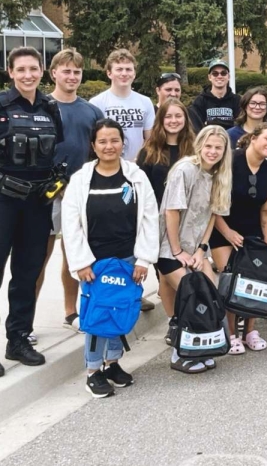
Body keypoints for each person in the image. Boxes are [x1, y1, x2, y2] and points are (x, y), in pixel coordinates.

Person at [61, 119, 159, 398]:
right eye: (102, 141)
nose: (109, 146)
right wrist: (80, 262)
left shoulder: (136, 176)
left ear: (122, 143)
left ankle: (112, 363)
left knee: (119, 310)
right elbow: (71, 226)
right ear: (93, 145)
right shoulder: (81, 181)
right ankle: (92, 371)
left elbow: (150, 218)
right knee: (97, 315)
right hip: (94, 264)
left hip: (128, 260)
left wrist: (143, 259)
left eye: (114, 140)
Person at [0, 47, 65, 376]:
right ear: (10, 72)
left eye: (33, 69)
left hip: (38, 204)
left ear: (42, 72)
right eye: (21, 69)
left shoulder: (50, 107)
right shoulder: (1, 106)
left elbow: (54, 152)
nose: (28, 75)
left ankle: (18, 339)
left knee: (27, 274)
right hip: (3, 203)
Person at [34, 49, 105, 337]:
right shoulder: (40, 106)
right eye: (66, 71)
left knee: (75, 256)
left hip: (80, 192)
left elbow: (100, 151)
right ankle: (27, 320)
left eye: (77, 71)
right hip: (46, 193)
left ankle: (70, 311)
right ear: (54, 74)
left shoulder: (92, 111)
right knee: (39, 256)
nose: (72, 76)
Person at [158, 125, 232, 374]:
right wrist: (178, 252)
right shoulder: (185, 170)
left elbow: (212, 215)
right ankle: (180, 354)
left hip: (195, 248)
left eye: (218, 148)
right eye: (208, 146)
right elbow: (171, 211)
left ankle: (200, 348)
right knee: (193, 297)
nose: (212, 151)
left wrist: (201, 250)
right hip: (170, 249)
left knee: (211, 295)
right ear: (200, 145)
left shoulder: (220, 175)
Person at [211, 123, 267, 354]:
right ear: (253, 138)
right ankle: (231, 334)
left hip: (252, 232)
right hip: (222, 230)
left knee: (255, 279)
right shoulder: (229, 162)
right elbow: (213, 205)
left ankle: (250, 330)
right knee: (231, 279)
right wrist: (227, 232)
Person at [136, 99, 196, 325]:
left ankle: (185, 316)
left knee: (183, 270)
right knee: (165, 272)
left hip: (188, 221)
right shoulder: (149, 152)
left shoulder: (194, 148)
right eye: (168, 117)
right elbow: (142, 190)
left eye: (178, 116)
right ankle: (173, 320)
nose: (173, 121)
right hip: (158, 222)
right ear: (160, 120)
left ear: (185, 119)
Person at [90, 49, 155, 161]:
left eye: (128, 69)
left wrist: (140, 160)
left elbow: (151, 139)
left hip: (137, 166)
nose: (124, 74)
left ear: (134, 74)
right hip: (107, 166)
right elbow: (93, 141)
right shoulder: (96, 103)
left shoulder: (145, 102)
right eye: (119, 69)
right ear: (109, 73)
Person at [189, 60, 240, 132]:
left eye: (223, 73)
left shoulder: (237, 100)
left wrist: (209, 123)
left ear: (228, 76)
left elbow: (240, 126)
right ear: (209, 77)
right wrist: (230, 123)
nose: (219, 76)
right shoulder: (200, 101)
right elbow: (196, 126)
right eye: (215, 73)